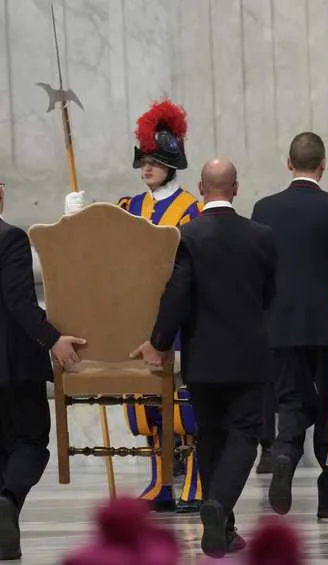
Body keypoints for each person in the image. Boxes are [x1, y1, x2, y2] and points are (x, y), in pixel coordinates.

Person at [65, 99, 204, 513]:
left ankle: (195, 476)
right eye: (143, 161)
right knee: (145, 405)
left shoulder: (190, 211)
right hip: (134, 318)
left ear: (171, 163)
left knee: (184, 405)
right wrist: (78, 219)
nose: (146, 168)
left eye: (154, 161)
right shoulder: (128, 207)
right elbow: (102, 253)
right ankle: (160, 479)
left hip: (175, 316)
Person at [131, 159, 275, 557]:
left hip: (203, 356)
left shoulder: (186, 236)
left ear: (199, 187)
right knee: (244, 433)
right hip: (248, 354)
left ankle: (223, 529)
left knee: (209, 435)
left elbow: (176, 295)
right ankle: (217, 507)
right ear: (236, 188)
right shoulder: (262, 236)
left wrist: (159, 342)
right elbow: (270, 296)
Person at [251, 132, 328, 520]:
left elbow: (256, 268)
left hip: (279, 325)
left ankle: (285, 450)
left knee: (290, 398)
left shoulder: (263, 209)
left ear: (289, 164)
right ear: (324, 164)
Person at [0, 182, 87, 560]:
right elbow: (19, 298)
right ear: (1, 195)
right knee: (31, 442)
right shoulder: (10, 238)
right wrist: (52, 339)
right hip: (14, 364)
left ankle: (5, 533)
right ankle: (7, 499)